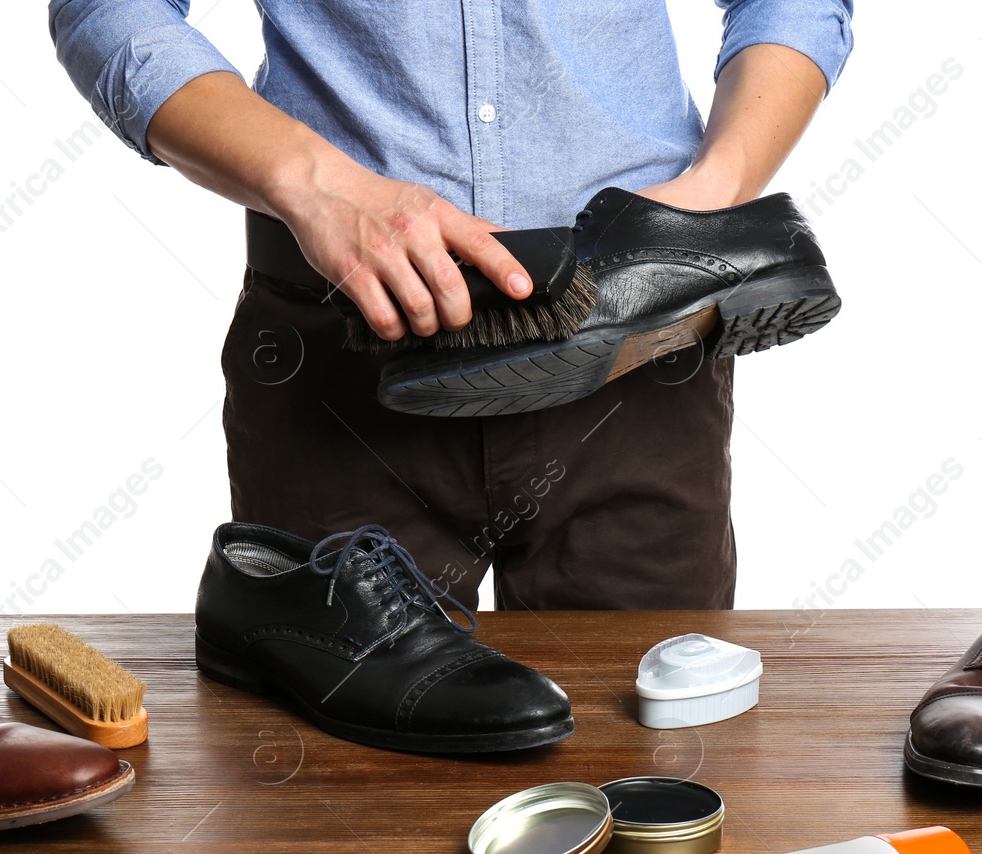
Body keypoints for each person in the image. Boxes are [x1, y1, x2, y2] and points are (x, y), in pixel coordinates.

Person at [50, 0, 853, 610]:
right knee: (344, 790)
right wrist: (316, 184)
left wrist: (707, 200)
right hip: (345, 346)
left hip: (636, 334)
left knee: (652, 761)